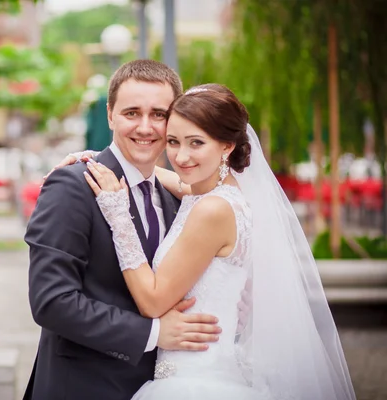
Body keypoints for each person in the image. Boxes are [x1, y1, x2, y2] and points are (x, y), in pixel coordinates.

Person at [78, 84, 355, 399]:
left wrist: (118, 216)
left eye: (196, 143)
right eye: (173, 141)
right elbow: (175, 181)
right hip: (210, 369)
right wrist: (103, 161)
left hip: (194, 381)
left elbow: (153, 301)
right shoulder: (216, 193)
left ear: (226, 146)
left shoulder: (212, 210)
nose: (181, 156)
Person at [24, 61, 227, 400]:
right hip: (82, 388)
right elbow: (52, 302)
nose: (145, 127)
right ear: (110, 116)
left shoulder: (181, 198)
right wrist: (154, 332)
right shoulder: (72, 185)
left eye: (158, 114)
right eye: (132, 113)